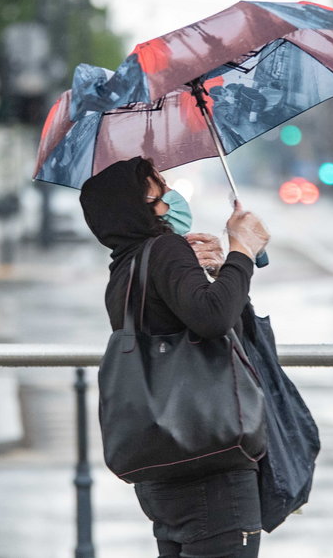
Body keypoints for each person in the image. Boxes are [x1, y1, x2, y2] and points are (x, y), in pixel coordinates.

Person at [79, 156, 270, 558]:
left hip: (165, 470)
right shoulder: (164, 251)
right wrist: (243, 251)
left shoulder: (127, 268)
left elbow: (204, 310)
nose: (171, 198)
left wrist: (221, 271)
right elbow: (214, 319)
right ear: (136, 208)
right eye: (159, 193)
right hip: (209, 467)